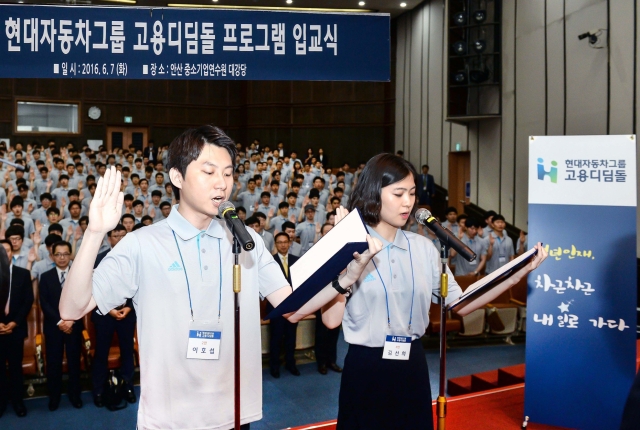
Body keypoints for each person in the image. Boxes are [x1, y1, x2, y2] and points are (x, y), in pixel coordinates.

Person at [59, 125, 380, 430]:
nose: (222, 184)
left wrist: (344, 278)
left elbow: (292, 308)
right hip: (170, 418)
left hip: (235, 413)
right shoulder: (142, 243)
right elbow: (72, 309)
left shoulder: (246, 239)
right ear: (177, 176)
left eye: (228, 174)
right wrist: (94, 232)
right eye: (209, 172)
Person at [319, 153, 548, 429]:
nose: (408, 202)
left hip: (412, 362)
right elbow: (331, 320)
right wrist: (342, 256)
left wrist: (516, 273)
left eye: (412, 193)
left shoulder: (425, 248)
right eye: (399, 193)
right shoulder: (349, 244)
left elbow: (460, 303)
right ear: (373, 194)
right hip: (367, 365)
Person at [91, 224, 137, 408]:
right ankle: (99, 389)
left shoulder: (135, 259)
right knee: (101, 353)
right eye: (115, 235)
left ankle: (127, 386)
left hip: (126, 312)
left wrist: (130, 308)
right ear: (109, 238)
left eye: (122, 235)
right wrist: (109, 308)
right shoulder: (100, 259)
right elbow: (94, 287)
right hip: (104, 313)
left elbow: (140, 285)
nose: (119, 238)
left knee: (127, 351)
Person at [39, 241, 84, 411]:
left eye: (66, 254)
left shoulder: (78, 275)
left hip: (75, 325)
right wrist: (60, 322)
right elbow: (44, 303)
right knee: (54, 363)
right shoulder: (45, 276)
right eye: (58, 254)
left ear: (70, 255)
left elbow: (82, 300)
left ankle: (75, 395)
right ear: (52, 256)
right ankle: (54, 397)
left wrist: (71, 320)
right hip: (53, 327)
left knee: (74, 362)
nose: (62, 258)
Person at [0, 241, 33, 418]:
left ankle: (18, 402)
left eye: (6, 251)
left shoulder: (23, 274)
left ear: (12, 253)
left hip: (16, 329)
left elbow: (28, 301)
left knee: (15, 368)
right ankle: (1, 402)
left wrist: (15, 322)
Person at [267, 232, 300, 378]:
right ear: (276, 244)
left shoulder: (297, 261)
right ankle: (274, 366)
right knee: (276, 338)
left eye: (285, 242)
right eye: (279, 242)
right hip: (276, 308)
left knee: (291, 338)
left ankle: (290, 364)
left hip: (293, 307)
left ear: (289, 243)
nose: (283, 244)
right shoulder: (270, 262)